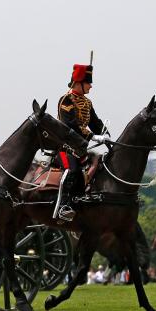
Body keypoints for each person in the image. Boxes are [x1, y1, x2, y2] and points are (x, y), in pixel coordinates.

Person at [54, 61, 107, 221]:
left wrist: (105, 134)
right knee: (72, 170)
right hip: (64, 149)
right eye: (88, 83)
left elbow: (96, 124)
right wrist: (91, 136)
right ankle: (63, 206)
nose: (90, 87)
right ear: (79, 83)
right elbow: (70, 126)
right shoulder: (66, 100)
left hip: (80, 150)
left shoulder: (87, 103)